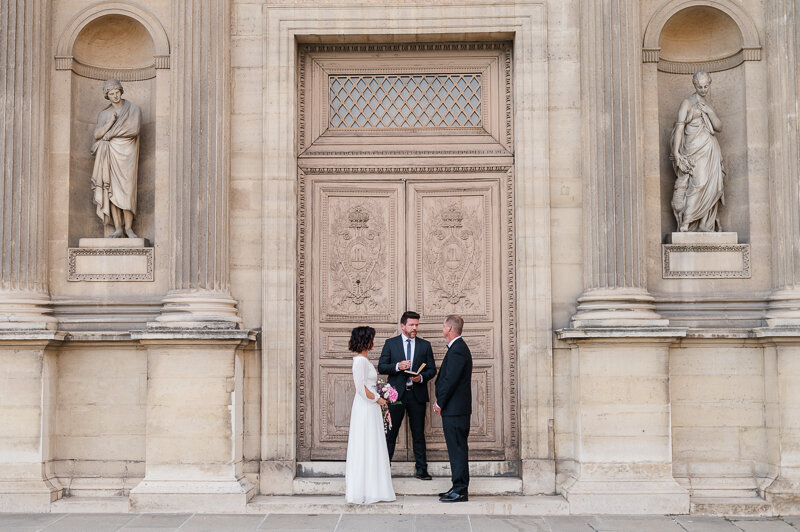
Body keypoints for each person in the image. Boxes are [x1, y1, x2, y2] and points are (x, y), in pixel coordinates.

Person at [378, 311, 437, 480]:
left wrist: (421, 377)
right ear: (402, 325)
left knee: (418, 433)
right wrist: (398, 366)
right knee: (390, 433)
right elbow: (382, 366)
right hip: (396, 396)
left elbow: (432, 369)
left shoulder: (425, 345)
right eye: (411, 325)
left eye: (417, 325)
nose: (415, 328)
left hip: (416, 395)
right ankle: (384, 469)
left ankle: (422, 470)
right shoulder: (391, 343)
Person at [345, 326, 396, 504]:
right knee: (366, 444)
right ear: (366, 341)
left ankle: (375, 487)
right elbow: (360, 389)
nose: (374, 342)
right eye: (372, 339)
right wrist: (378, 399)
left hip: (370, 406)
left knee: (372, 444)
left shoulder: (365, 361)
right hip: (366, 407)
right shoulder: (360, 361)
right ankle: (366, 490)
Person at [670, 70, 725, 232]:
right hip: (693, 150)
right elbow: (679, 129)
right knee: (698, 184)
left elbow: (719, 127)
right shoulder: (687, 103)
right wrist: (676, 153)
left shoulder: (709, 105)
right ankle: (686, 223)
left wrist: (710, 112)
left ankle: (704, 224)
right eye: (700, 86)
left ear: (709, 85)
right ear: (695, 85)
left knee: (714, 187)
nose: (703, 89)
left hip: (710, 150)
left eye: (706, 86)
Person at [91, 78, 142, 238]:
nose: (115, 96)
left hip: (127, 153)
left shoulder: (133, 109)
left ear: (121, 91)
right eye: (111, 94)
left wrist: (111, 134)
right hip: (109, 154)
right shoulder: (104, 114)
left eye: (117, 92)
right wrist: (110, 122)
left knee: (127, 190)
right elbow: (97, 135)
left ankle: (129, 228)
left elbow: (134, 129)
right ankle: (118, 227)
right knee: (110, 188)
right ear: (107, 96)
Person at [433, 314, 472, 502]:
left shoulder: (457, 349)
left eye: (443, 325)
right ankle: (457, 486)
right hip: (454, 410)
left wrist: (440, 402)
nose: (442, 328)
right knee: (456, 449)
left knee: (457, 450)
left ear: (449, 328)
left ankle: (461, 490)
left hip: (455, 410)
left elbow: (451, 380)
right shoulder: (457, 348)